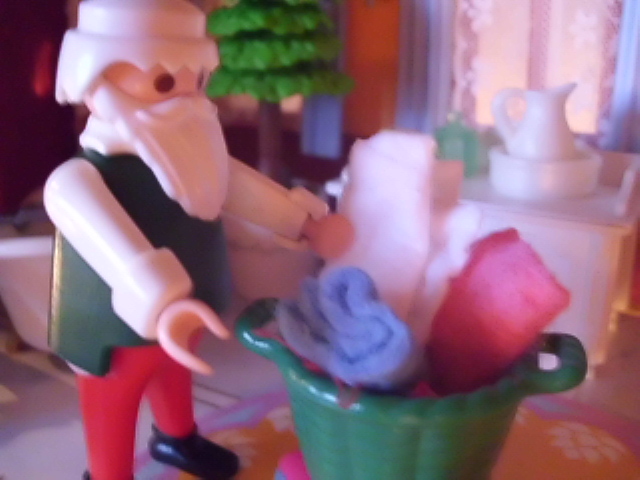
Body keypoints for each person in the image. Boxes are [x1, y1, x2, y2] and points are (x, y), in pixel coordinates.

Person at [45, 1, 351, 479]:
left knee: (173, 371)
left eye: (198, 80)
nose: (186, 98)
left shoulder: (193, 156)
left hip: (188, 305)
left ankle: (176, 438)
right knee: (116, 395)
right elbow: (113, 247)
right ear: (95, 79)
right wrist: (159, 298)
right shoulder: (77, 179)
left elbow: (239, 187)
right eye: (165, 82)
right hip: (113, 323)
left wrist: (301, 222)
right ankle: (109, 473)